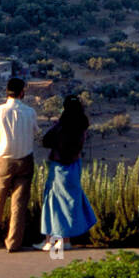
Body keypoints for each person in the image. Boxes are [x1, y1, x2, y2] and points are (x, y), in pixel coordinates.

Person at [0, 77, 38, 252]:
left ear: (7, 92)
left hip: (2, 159)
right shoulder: (30, 112)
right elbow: (35, 131)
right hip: (25, 159)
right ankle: (13, 243)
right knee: (19, 202)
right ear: (22, 92)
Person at [34, 95, 97, 251]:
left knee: (53, 202)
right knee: (69, 201)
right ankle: (66, 240)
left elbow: (46, 140)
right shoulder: (82, 126)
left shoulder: (61, 126)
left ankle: (52, 240)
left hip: (59, 166)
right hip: (75, 166)